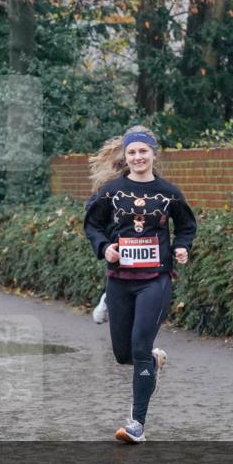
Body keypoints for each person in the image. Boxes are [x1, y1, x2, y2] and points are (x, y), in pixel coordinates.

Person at [84, 126, 196, 444]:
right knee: (123, 355)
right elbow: (92, 224)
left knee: (140, 347)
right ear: (125, 156)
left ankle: (137, 424)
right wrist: (104, 247)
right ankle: (153, 362)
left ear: (153, 154)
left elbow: (186, 225)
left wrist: (181, 247)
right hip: (119, 280)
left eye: (143, 151)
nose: (137, 157)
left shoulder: (168, 193)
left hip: (155, 280)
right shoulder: (111, 191)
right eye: (132, 152)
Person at [86, 136, 125, 325]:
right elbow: (92, 215)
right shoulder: (108, 188)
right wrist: (104, 244)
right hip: (115, 240)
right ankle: (108, 299)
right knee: (119, 274)